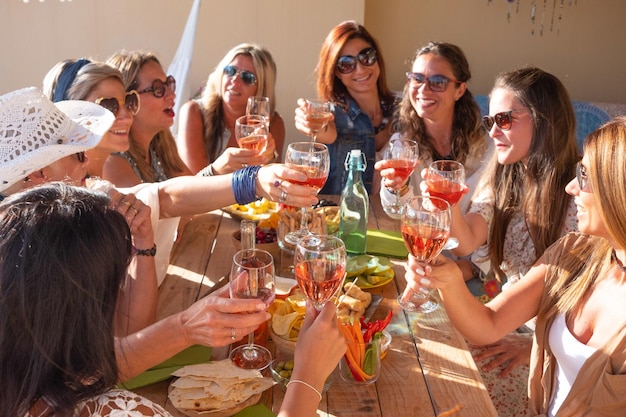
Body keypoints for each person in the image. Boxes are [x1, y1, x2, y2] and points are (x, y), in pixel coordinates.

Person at [0, 87, 321, 383]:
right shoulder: (20, 260)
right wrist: (185, 327)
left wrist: (254, 181)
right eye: (79, 155)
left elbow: (162, 198)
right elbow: (84, 376)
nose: (88, 165)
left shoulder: (78, 208)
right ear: (38, 174)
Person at [0, 183, 346, 417]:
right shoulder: (120, 411)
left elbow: (82, 370)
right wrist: (307, 376)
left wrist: (186, 326)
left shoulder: (26, 372)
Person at [407, 116, 626, 416]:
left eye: (585, 175)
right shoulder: (573, 254)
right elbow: (489, 324)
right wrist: (448, 280)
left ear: (618, 190)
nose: (570, 187)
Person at [402, 67, 579, 416]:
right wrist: (449, 205)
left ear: (544, 121)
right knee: (418, 349)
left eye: (505, 119)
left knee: (449, 394)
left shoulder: (579, 197)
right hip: (505, 318)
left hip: (552, 344)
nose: (493, 131)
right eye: (489, 121)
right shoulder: (505, 174)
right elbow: (466, 242)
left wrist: (536, 348)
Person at [374, 41, 491, 223]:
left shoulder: (488, 147)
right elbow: (396, 213)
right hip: (423, 246)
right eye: (417, 79)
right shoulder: (402, 145)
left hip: (470, 250)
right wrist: (397, 188)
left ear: (459, 90)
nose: (424, 89)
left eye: (438, 82)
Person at [295, 20, 398, 195]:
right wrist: (310, 122)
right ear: (335, 72)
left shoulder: (404, 108)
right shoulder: (333, 114)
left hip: (394, 219)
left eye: (367, 57)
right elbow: (325, 129)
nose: (360, 69)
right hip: (342, 219)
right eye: (346, 64)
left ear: (377, 58)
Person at [177, 43, 284, 175]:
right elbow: (194, 181)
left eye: (247, 77)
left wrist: (267, 160)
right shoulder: (194, 112)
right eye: (230, 71)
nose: (234, 80)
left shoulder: (273, 123)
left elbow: (273, 183)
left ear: (261, 87)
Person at [105, 50, 193, 186]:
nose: (172, 95)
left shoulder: (161, 146)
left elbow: (192, 189)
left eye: (169, 84)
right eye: (158, 89)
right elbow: (165, 202)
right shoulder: (113, 161)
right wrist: (214, 171)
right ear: (129, 100)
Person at [42, 58, 138, 178]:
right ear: (74, 112)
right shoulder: (66, 190)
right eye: (108, 106)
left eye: (129, 101)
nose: (127, 118)